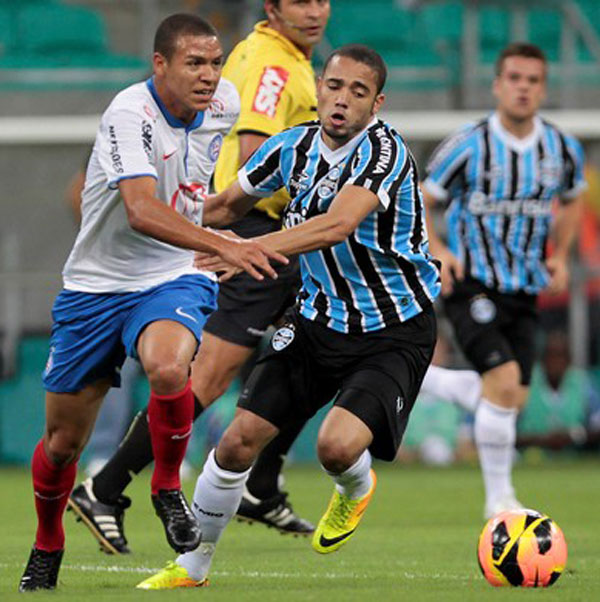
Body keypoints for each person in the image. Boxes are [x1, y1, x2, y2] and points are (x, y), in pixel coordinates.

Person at [136, 43, 441, 590]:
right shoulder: (289, 147)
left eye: (358, 91)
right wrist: (155, 215)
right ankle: (192, 567)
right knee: (235, 441)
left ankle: (355, 487)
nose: (342, 99)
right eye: (334, 86)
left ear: (378, 103)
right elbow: (226, 206)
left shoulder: (385, 152)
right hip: (316, 320)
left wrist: (244, 250)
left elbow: (337, 224)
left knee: (335, 447)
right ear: (318, 89)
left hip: (391, 329)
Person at [18, 13, 286, 592]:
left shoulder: (225, 105)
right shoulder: (128, 113)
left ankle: (166, 487)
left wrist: (248, 218)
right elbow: (142, 210)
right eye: (195, 62)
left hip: (172, 273)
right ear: (159, 64)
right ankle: (47, 541)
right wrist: (222, 242)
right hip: (95, 287)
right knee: (63, 445)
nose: (209, 75)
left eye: (215, 62)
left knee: (168, 366)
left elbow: (197, 204)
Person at [68, 0, 331, 553]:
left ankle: (259, 482)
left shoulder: (288, 62)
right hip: (261, 231)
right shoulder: (273, 66)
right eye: (300, 1)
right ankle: (108, 485)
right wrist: (232, 237)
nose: (315, 11)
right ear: (272, 8)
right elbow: (259, 154)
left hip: (264, 232)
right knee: (204, 377)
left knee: (307, 350)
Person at [421, 42, 586, 519]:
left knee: (513, 397)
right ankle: (500, 501)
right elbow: (423, 196)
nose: (523, 88)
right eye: (514, 78)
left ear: (543, 88)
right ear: (497, 84)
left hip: (525, 288)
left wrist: (561, 255)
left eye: (532, 80)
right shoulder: (468, 144)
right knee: (503, 379)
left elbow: (574, 198)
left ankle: (422, 378)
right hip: (473, 283)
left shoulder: (561, 148)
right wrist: (439, 248)